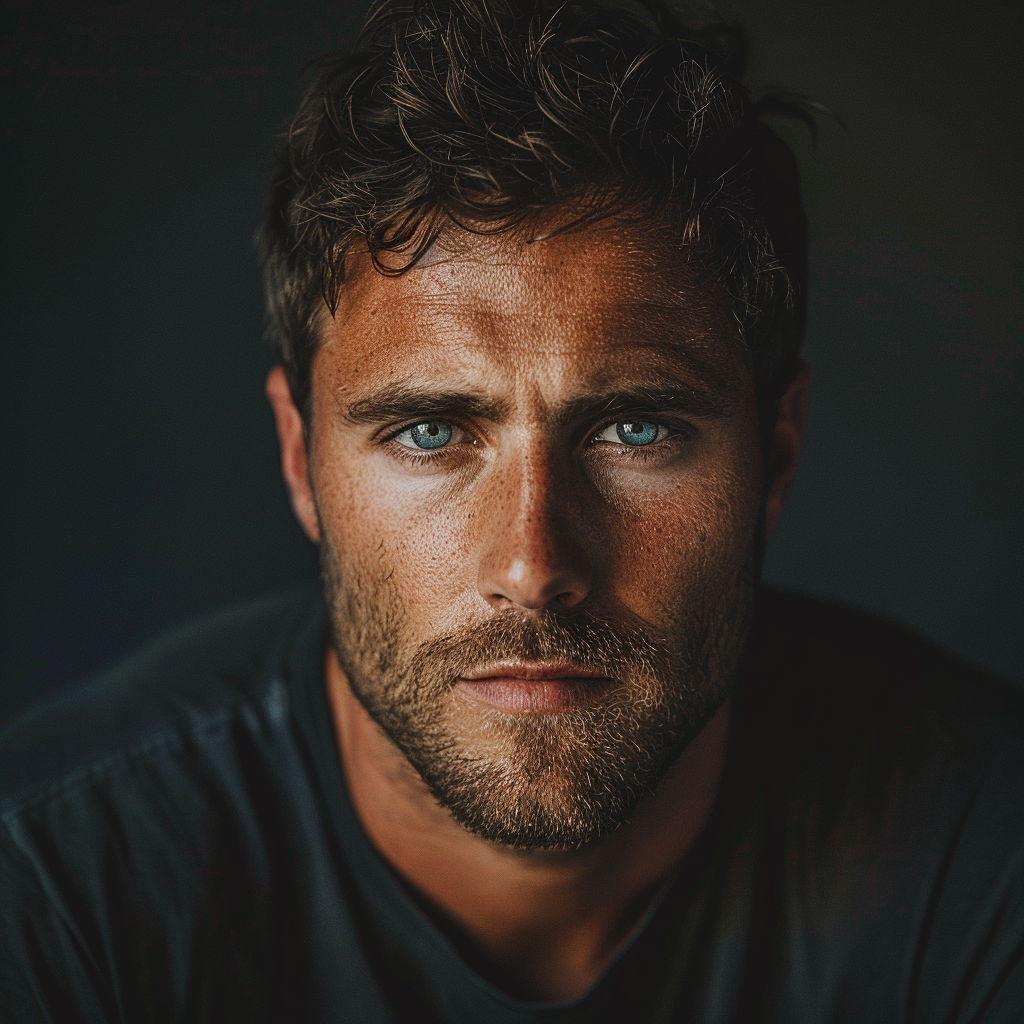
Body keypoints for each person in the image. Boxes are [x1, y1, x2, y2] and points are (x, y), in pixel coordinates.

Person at [1, 0, 1022, 1019]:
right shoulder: (47, 885)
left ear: (775, 457)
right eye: (430, 433)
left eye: (634, 431)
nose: (531, 565)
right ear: (300, 460)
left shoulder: (986, 846)